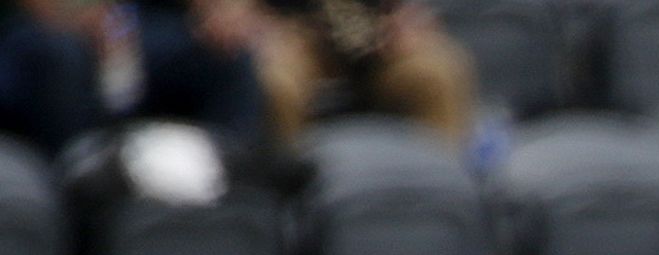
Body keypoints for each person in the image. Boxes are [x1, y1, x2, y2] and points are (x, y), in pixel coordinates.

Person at [0, 0, 265, 155]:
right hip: (44, 34)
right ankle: (77, 182)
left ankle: (230, 186)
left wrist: (223, 12)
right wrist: (76, 15)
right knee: (59, 57)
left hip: (140, 28)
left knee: (228, 54)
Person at [250, 0, 473, 148]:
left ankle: (439, 192)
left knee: (436, 72)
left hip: (382, 32)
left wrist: (409, 17)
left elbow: (414, 13)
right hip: (300, 34)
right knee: (276, 83)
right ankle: (287, 187)